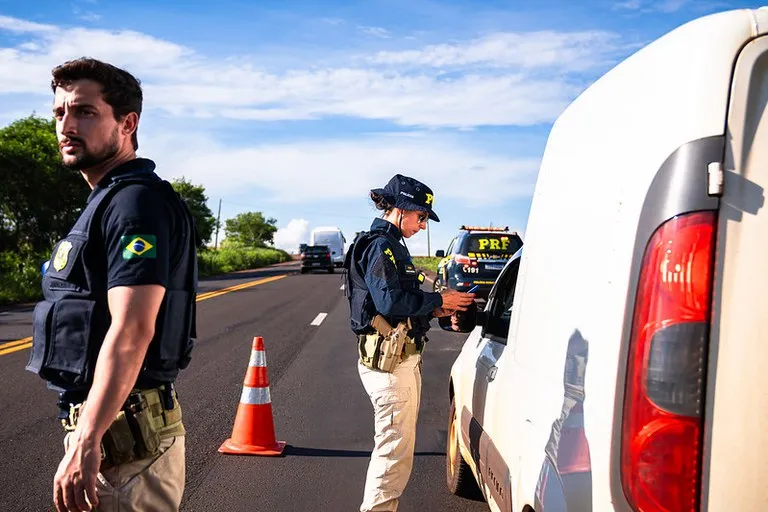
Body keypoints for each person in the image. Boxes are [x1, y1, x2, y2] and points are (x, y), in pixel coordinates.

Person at [25, 58, 198, 512]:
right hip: (114, 436)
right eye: (60, 112)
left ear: (127, 123)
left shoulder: (134, 203)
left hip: (125, 445)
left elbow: (132, 328)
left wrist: (86, 440)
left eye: (84, 111)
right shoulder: (108, 200)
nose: (67, 124)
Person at [344, 173, 475, 512]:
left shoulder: (392, 247)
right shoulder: (379, 246)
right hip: (390, 364)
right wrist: (438, 300)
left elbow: (400, 303)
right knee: (393, 452)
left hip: (403, 359)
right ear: (400, 209)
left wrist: (440, 306)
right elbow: (389, 302)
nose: (422, 225)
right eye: (420, 217)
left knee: (398, 451)